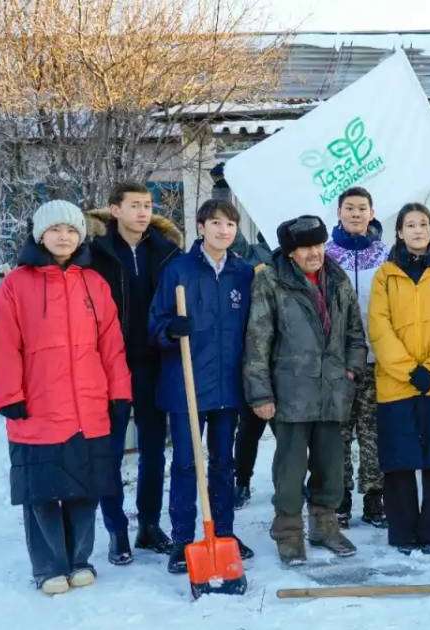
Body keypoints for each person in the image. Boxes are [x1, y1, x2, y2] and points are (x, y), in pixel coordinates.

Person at [0, 200, 131, 595]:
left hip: (88, 406)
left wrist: (119, 393)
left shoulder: (94, 283)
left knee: (85, 488)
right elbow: (2, 344)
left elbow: (111, 345)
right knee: (43, 490)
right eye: (56, 230)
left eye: (71, 230)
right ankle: (49, 566)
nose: (64, 237)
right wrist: (8, 395)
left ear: (81, 235)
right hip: (38, 406)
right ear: (40, 235)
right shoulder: (16, 284)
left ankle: (81, 559)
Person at [246, 215, 368, 565]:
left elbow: (355, 334)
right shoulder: (271, 281)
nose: (314, 252)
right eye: (305, 247)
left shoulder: (337, 278)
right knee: (290, 468)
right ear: (290, 252)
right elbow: (257, 341)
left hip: (332, 390)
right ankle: (287, 531)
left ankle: (324, 525)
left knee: (331, 466)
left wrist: (351, 370)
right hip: (290, 393)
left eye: (318, 244)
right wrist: (261, 394)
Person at [149, 199, 256, 573]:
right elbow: (154, 324)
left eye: (230, 225)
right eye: (216, 223)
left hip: (227, 386)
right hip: (186, 386)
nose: (223, 231)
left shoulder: (243, 274)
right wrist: (168, 330)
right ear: (200, 227)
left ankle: (224, 533)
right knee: (184, 464)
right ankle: (182, 539)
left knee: (223, 464)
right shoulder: (178, 271)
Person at [85, 182, 181, 565]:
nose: (143, 212)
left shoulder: (167, 251)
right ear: (115, 210)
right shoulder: (95, 254)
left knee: (154, 449)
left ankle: (149, 525)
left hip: (155, 363)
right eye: (134, 205)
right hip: (110, 365)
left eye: (147, 205)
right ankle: (116, 531)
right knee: (109, 452)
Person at [368, 203, 430, 555]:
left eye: (423, 224)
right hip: (397, 384)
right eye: (410, 224)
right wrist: (409, 370)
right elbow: (379, 327)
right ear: (399, 232)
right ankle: (403, 532)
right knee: (401, 459)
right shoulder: (386, 275)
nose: (417, 230)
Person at [324, 186, 391, 528]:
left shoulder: (385, 255)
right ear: (338, 213)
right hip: (337, 360)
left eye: (361, 208)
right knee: (338, 430)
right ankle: (340, 497)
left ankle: (375, 497)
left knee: (373, 430)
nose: (355, 214)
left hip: (377, 357)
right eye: (349, 208)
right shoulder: (325, 254)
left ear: (372, 212)